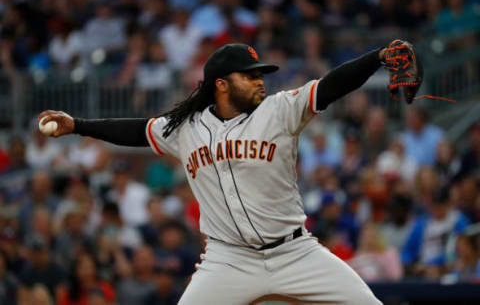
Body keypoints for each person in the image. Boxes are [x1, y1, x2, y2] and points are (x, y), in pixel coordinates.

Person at [38, 42, 396, 304]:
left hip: (295, 252)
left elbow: (332, 85)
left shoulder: (280, 110)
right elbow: (136, 130)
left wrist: (378, 58)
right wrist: (78, 125)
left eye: (261, 75)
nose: (260, 82)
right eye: (250, 75)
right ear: (221, 84)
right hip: (229, 260)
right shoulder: (186, 127)